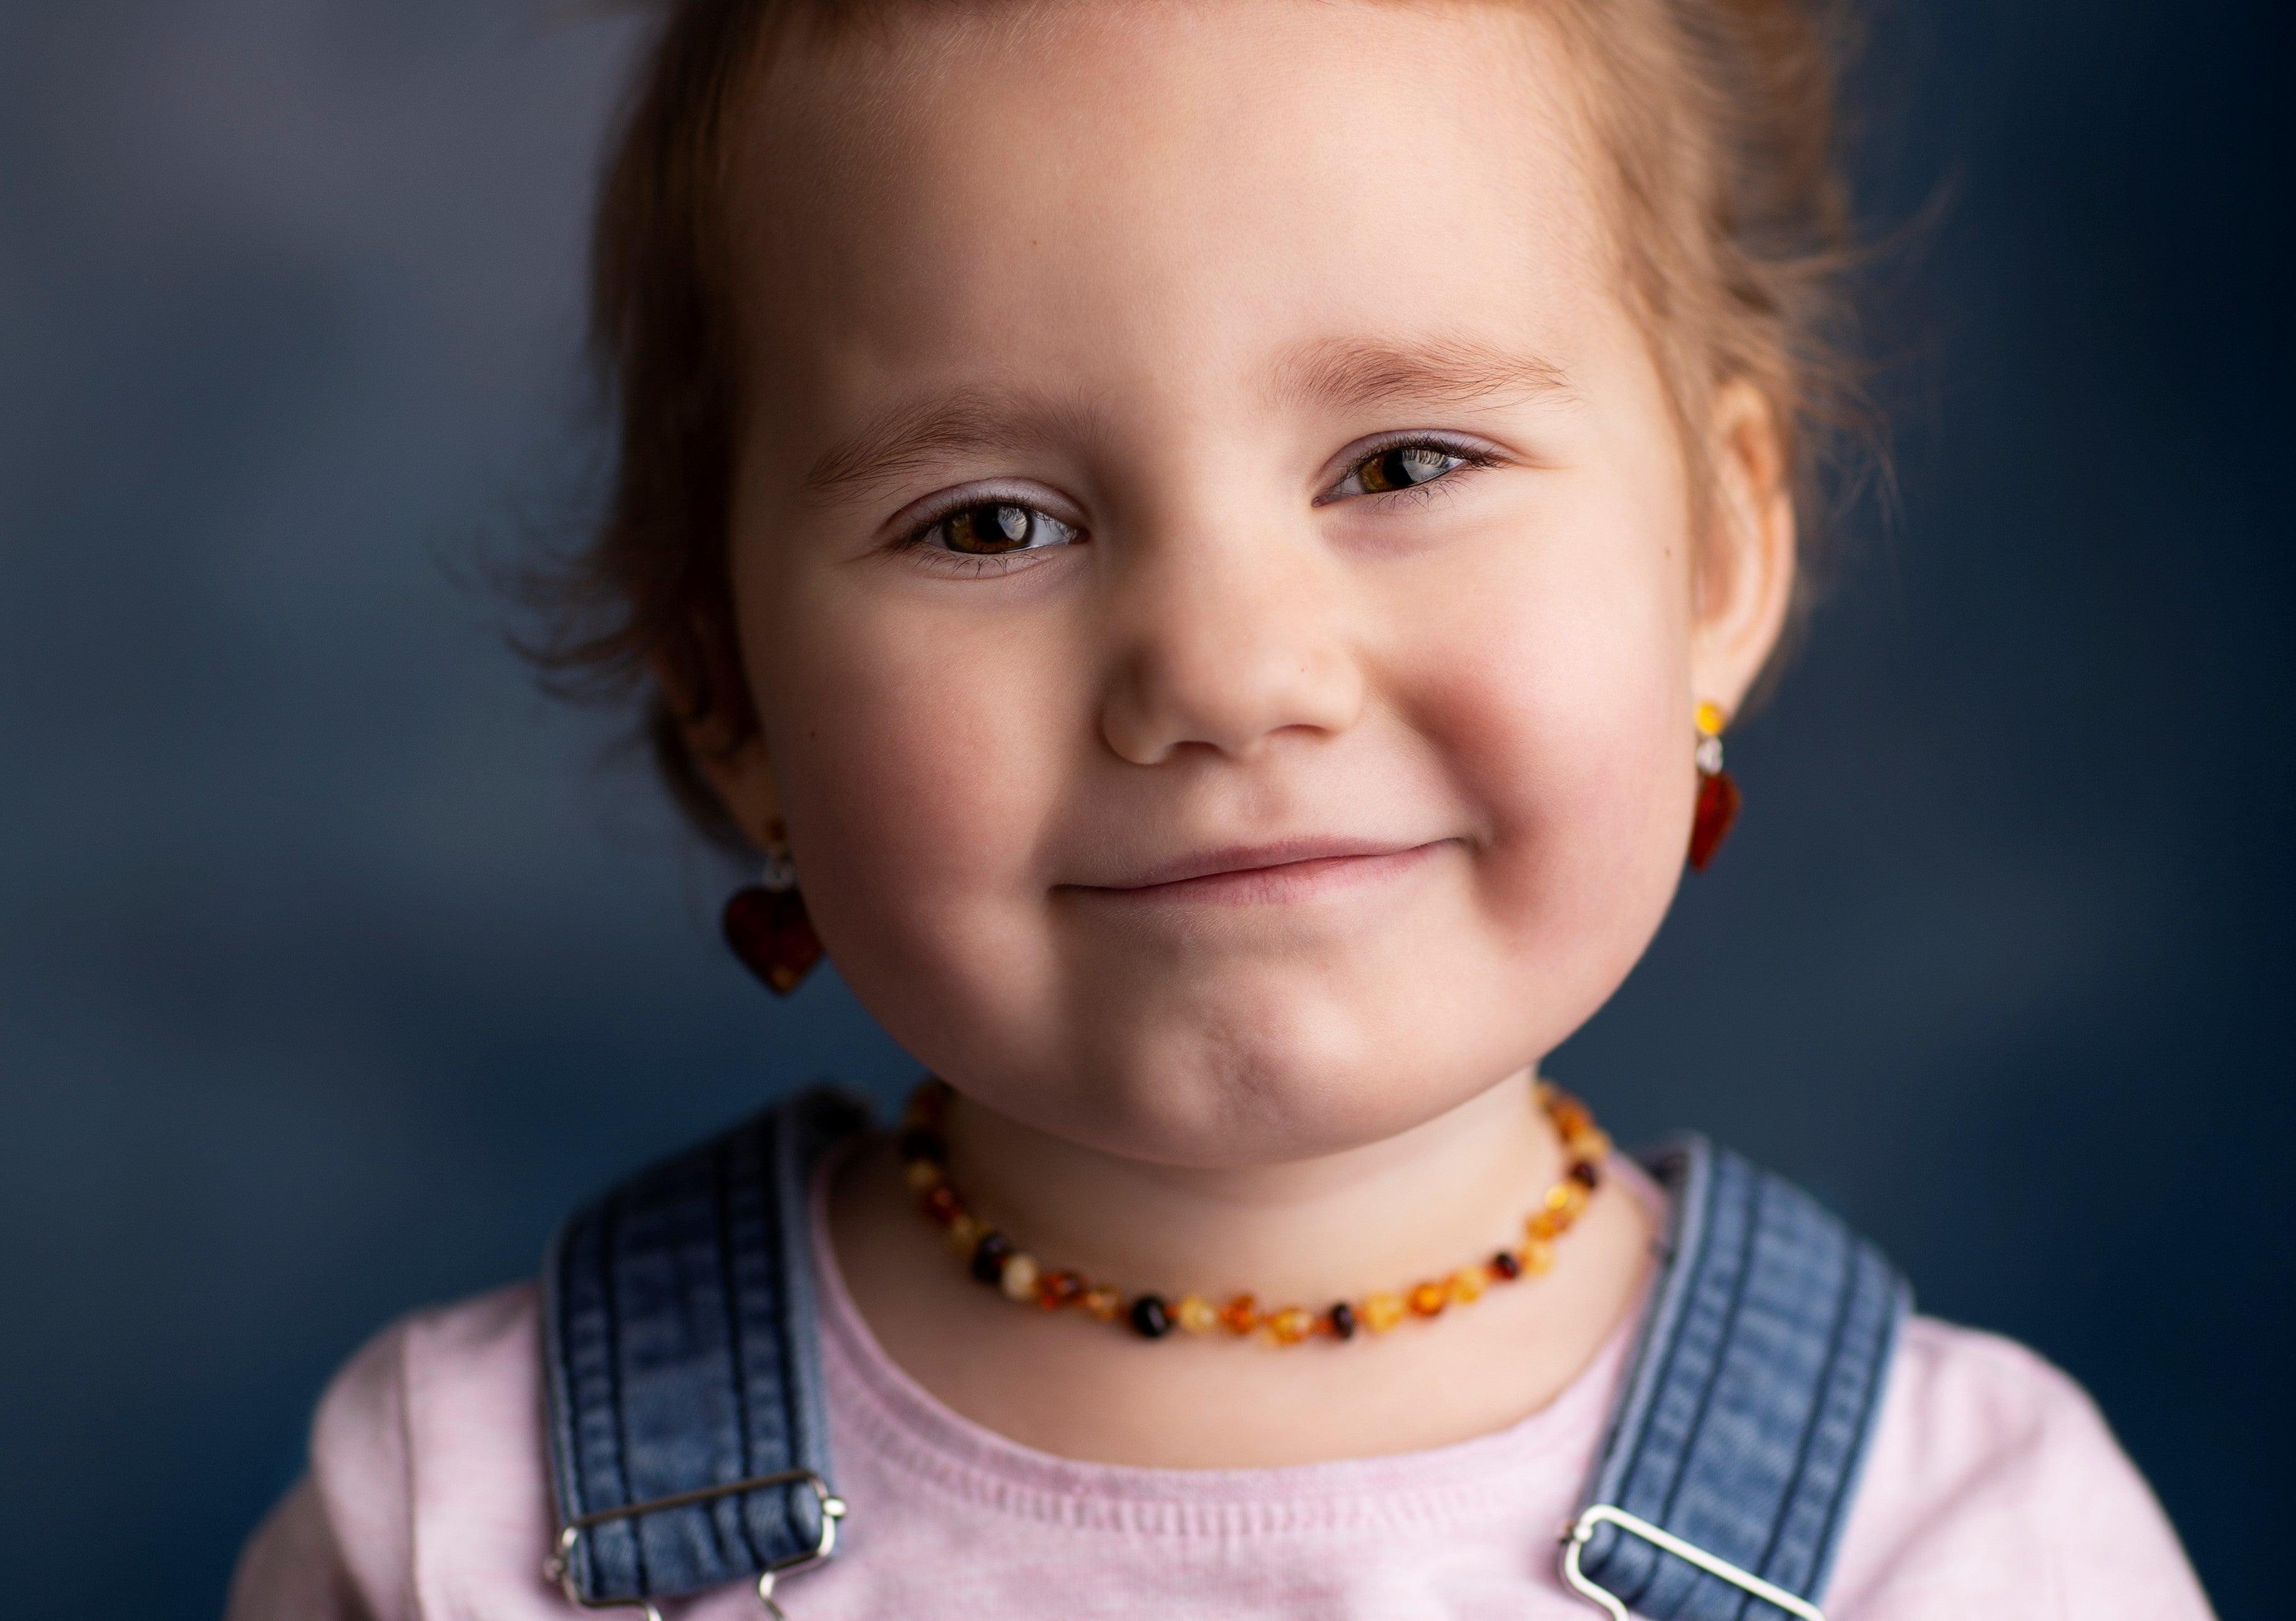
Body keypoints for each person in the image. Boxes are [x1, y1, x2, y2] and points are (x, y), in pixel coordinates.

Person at [226, 0, 2215, 1615]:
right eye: (990, 520)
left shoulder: (1960, 1547)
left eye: (1404, 461)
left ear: (1714, 555)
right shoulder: (465, 1524)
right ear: (728, 690)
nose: (1224, 671)